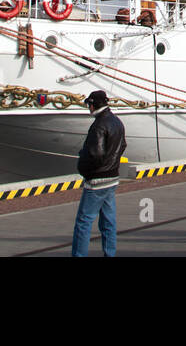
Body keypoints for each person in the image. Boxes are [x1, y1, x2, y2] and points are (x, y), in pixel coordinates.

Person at [71, 89, 127, 257]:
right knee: (108, 220)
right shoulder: (116, 121)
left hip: (97, 181)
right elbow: (122, 145)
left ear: (93, 104)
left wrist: (83, 168)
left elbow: (95, 154)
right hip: (112, 177)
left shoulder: (99, 125)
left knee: (83, 222)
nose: (88, 108)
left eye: (89, 105)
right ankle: (110, 253)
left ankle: (79, 255)